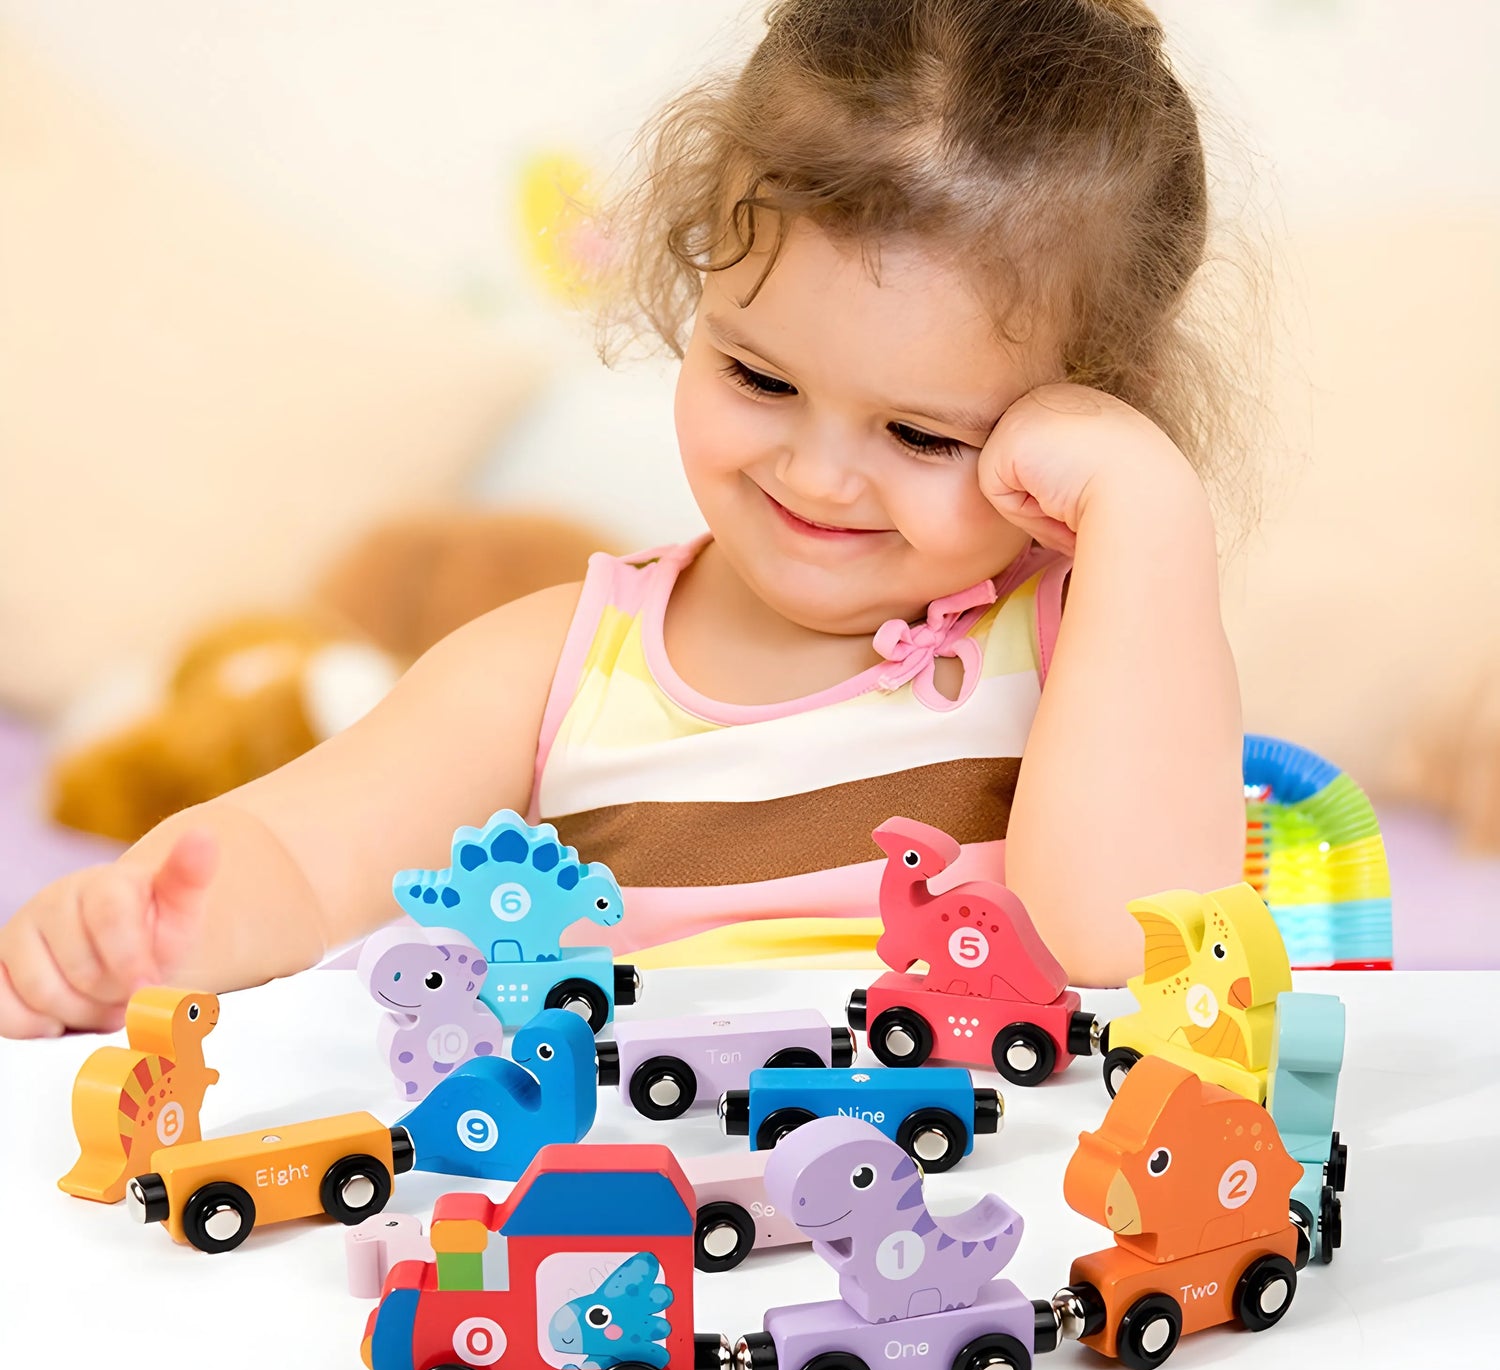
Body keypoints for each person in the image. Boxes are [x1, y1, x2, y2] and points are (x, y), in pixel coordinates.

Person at [0, 0, 1253, 1040]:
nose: (817, 478)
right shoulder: (555, 666)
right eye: (759, 378)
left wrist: (1146, 506)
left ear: (1090, 411)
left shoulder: (1095, 650)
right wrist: (144, 924)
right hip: (639, 1268)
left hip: (982, 1259)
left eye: (922, 435)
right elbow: (292, 852)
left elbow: (1113, 950)